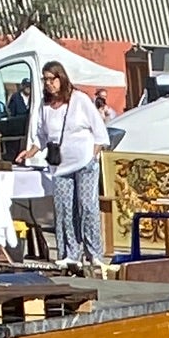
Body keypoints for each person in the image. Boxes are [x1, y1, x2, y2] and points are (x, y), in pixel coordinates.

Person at [32, 58, 112, 274]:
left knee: (86, 206)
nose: (49, 83)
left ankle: (94, 253)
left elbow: (99, 132)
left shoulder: (80, 100)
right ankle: (69, 254)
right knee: (64, 208)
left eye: (52, 79)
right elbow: (41, 134)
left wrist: (93, 155)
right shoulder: (45, 106)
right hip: (60, 165)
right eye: (45, 79)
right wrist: (31, 151)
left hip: (84, 161)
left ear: (61, 78)